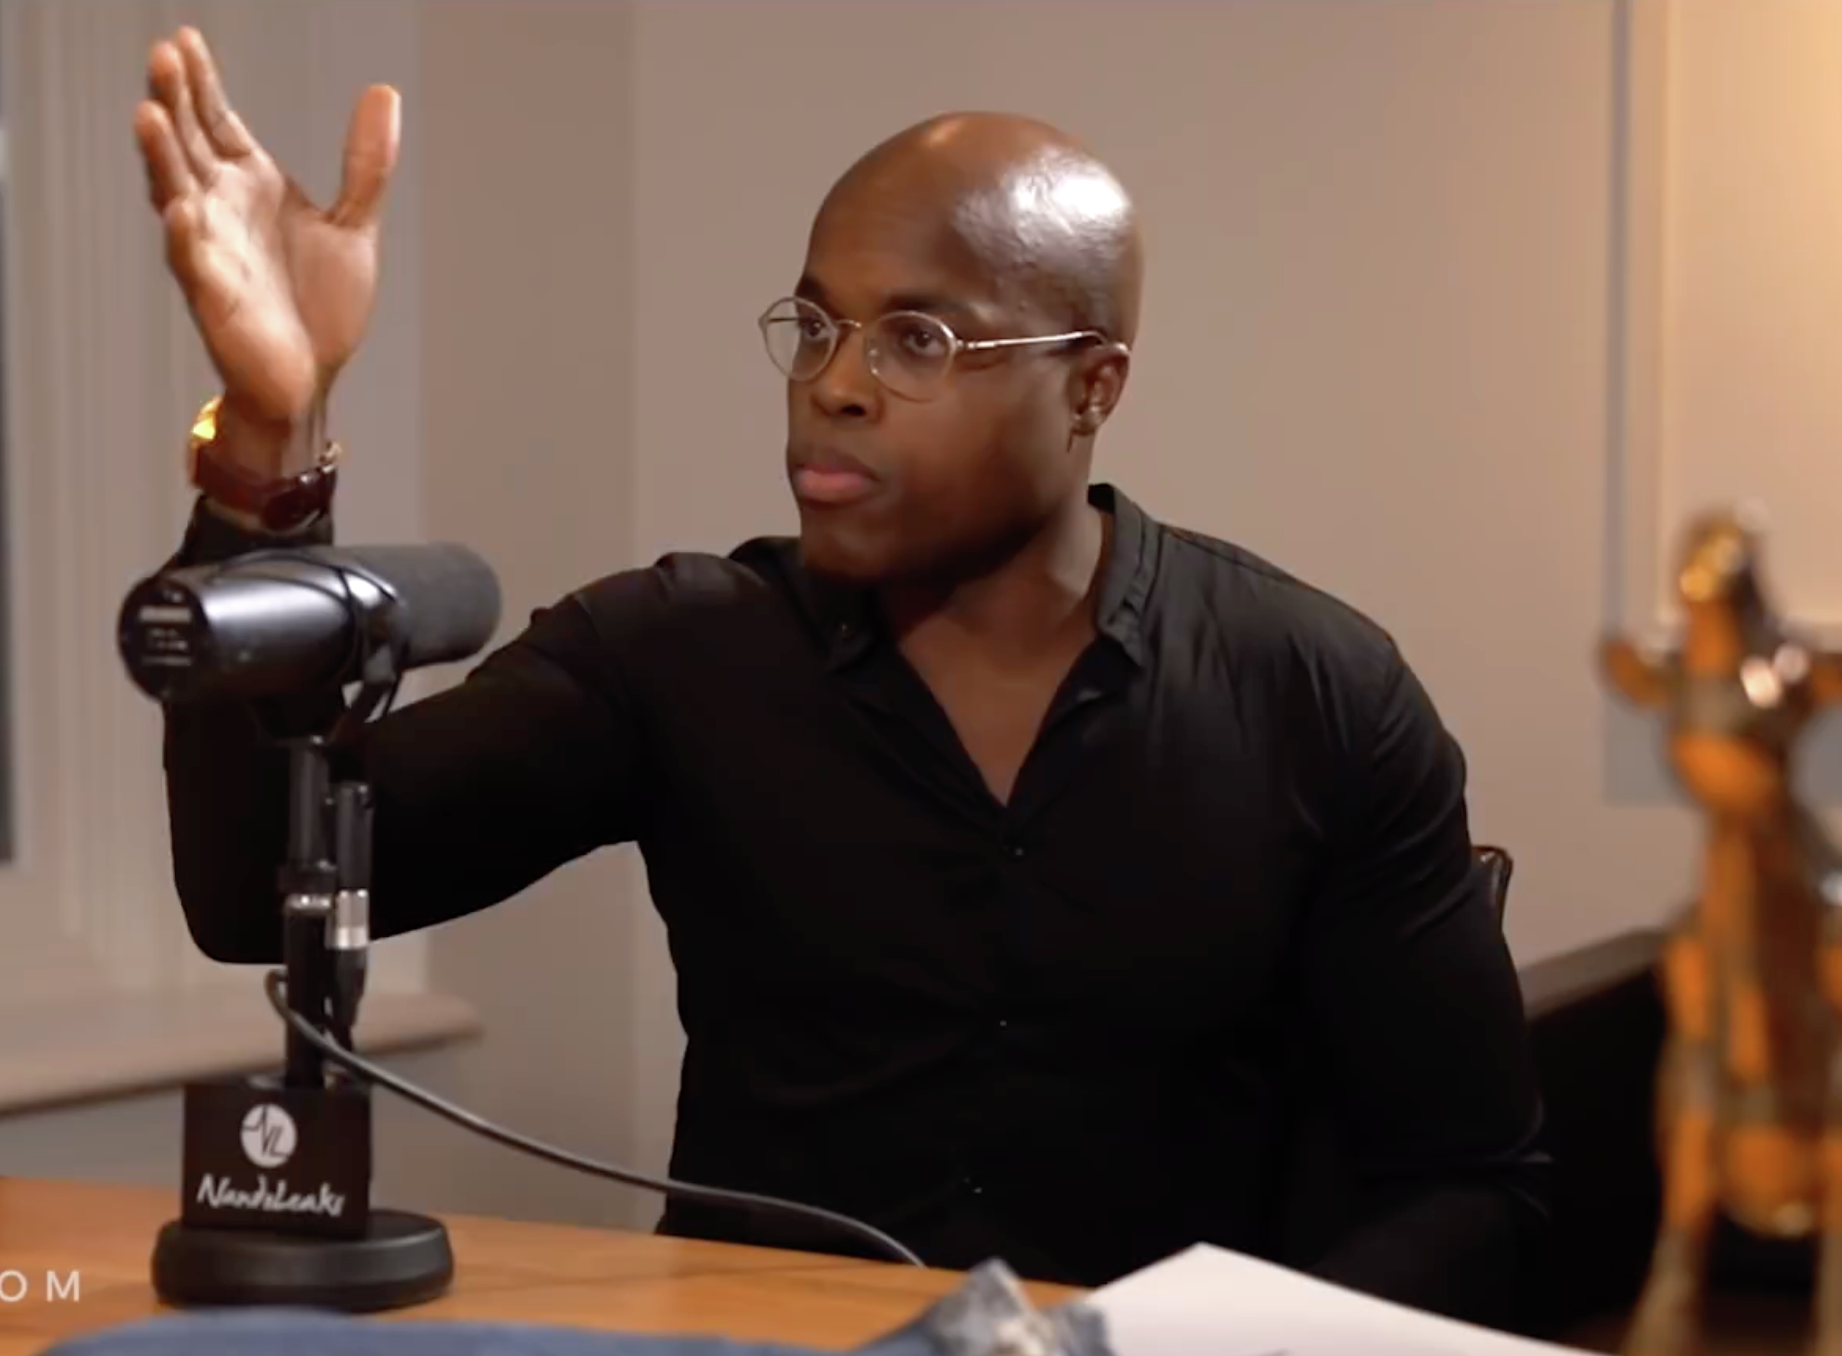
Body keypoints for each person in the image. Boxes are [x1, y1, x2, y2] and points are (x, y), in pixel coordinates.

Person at [133, 26, 1549, 1323]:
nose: (836, 384)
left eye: (918, 340)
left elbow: (1474, 1187)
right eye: (816, 328)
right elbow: (255, 888)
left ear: (1093, 387)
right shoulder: (680, 653)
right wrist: (267, 435)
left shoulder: (1315, 693)